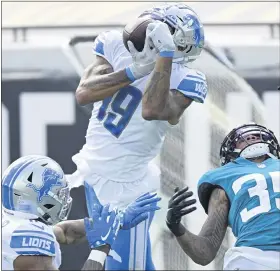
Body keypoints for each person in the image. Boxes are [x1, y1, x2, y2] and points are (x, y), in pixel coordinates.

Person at [68, 2, 207, 270]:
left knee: (130, 259)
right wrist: (136, 70)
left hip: (129, 178)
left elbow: (152, 109)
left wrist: (163, 56)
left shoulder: (188, 77)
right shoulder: (114, 44)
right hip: (100, 172)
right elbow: (84, 93)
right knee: (124, 261)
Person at [2, 155, 161, 270]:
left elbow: (64, 232)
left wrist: (116, 221)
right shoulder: (33, 242)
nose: (63, 198)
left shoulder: (13, 228)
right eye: (58, 193)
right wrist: (101, 248)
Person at [166, 123, 280, 270]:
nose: (251, 137)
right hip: (252, 257)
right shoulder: (224, 178)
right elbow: (205, 252)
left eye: (257, 136)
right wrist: (175, 225)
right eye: (243, 138)